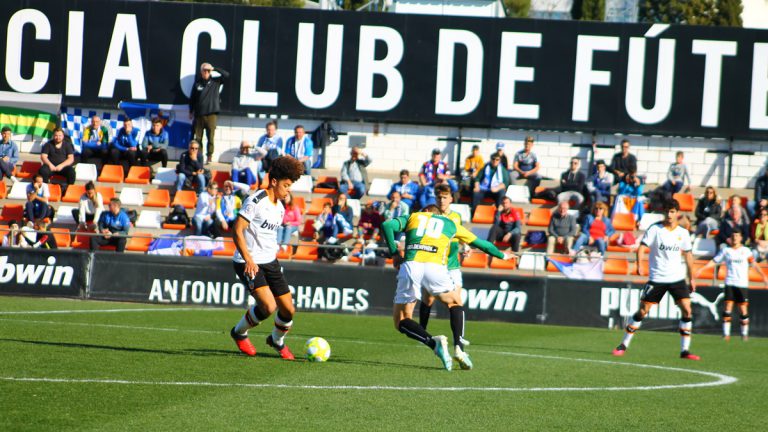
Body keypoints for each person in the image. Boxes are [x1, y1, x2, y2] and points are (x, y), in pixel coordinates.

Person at [381, 204, 509, 371]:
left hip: (412, 265)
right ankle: (459, 347)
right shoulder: (449, 223)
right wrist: (503, 255)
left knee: (402, 320)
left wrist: (395, 254)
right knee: (455, 302)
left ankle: (434, 343)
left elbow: (387, 225)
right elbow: (482, 244)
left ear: (425, 211)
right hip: (436, 268)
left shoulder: (414, 216)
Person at [229, 156, 306, 360]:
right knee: (268, 307)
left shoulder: (280, 207)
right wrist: (248, 259)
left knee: (288, 310)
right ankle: (239, 332)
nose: (288, 189)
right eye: (286, 185)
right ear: (274, 181)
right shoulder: (256, 201)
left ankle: (276, 340)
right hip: (248, 262)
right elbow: (237, 230)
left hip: (270, 262)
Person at [612, 200, 700, 360]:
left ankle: (684, 351)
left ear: (677, 213)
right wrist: (639, 265)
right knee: (643, 311)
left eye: (672, 211)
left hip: (677, 278)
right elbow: (642, 247)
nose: (669, 214)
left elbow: (688, 256)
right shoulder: (655, 229)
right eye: (667, 211)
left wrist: (691, 278)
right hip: (657, 278)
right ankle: (623, 344)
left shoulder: (683, 233)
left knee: (687, 309)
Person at [418, 184, 470, 345]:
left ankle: (459, 338)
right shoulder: (429, 214)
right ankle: (422, 333)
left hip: (452, 264)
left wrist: (466, 246)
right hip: (434, 263)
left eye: (445, 197)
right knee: (428, 299)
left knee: (456, 300)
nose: (442, 200)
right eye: (439, 197)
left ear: (451, 199)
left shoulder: (456, 216)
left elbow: (460, 234)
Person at [696, 231, 767, 341]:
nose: (735, 238)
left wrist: (763, 276)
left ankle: (744, 334)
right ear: (731, 238)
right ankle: (726, 334)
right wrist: (702, 269)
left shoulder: (746, 251)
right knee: (727, 308)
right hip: (730, 282)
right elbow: (715, 261)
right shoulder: (726, 251)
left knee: (743, 309)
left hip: (742, 283)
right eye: (733, 236)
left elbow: (754, 264)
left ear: (741, 238)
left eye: (737, 236)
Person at [189, 62, 229, 164]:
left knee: (210, 137)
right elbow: (192, 99)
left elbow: (226, 75)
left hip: (211, 114)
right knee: (198, 137)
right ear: (201, 72)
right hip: (199, 115)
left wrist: (214, 67)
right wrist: (191, 111)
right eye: (204, 70)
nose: (206, 72)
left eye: (208, 71)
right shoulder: (197, 83)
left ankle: (209, 156)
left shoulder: (216, 81)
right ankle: (199, 156)